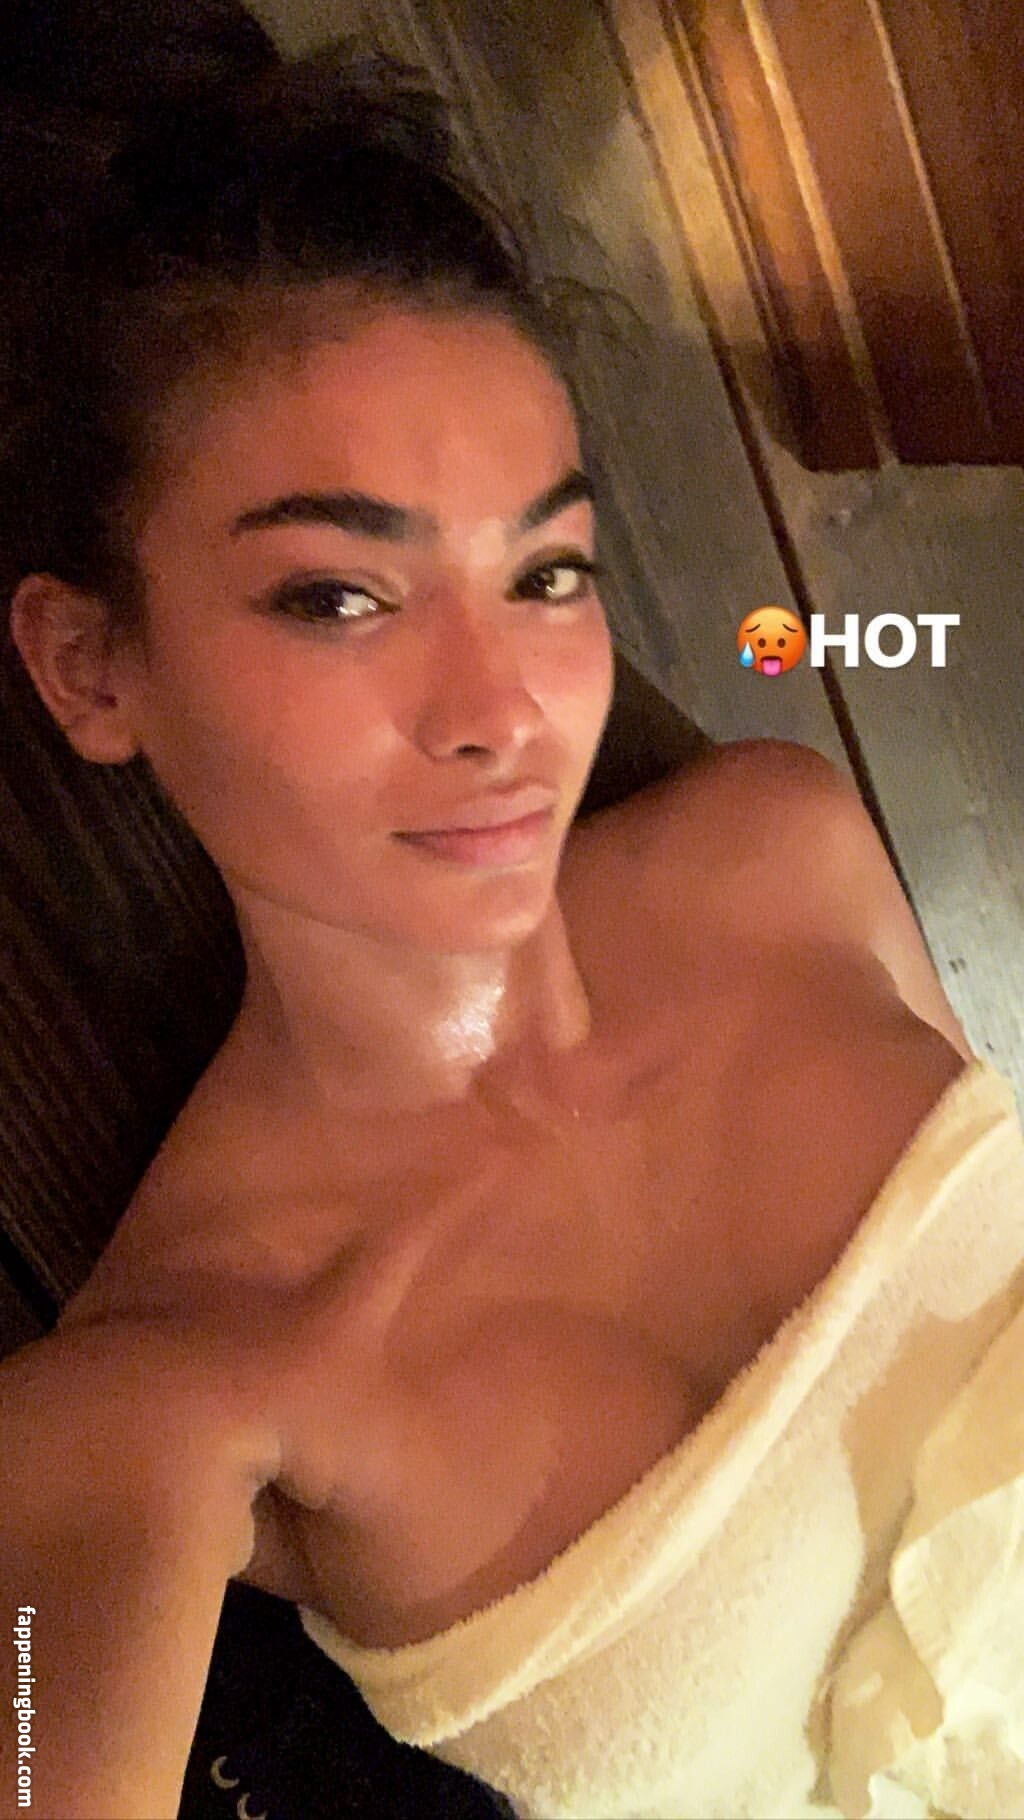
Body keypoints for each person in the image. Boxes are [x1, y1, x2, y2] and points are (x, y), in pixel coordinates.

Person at [2, 6, 1024, 1818]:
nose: (503, 712)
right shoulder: (171, 1390)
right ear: (91, 666)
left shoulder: (782, 848)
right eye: (339, 596)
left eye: (546, 573)